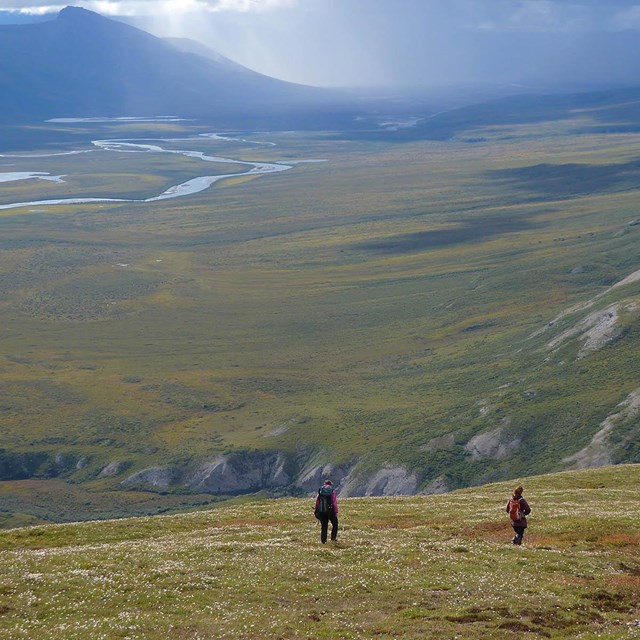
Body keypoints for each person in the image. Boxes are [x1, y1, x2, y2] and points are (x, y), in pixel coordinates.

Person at [315, 479, 339, 544]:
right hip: (330, 510)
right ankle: (333, 539)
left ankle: (323, 541)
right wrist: (336, 511)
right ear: (330, 484)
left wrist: (316, 510)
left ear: (324, 484)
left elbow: (317, 501)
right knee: (335, 524)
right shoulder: (332, 491)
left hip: (322, 511)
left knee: (324, 526)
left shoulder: (321, 490)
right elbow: (334, 502)